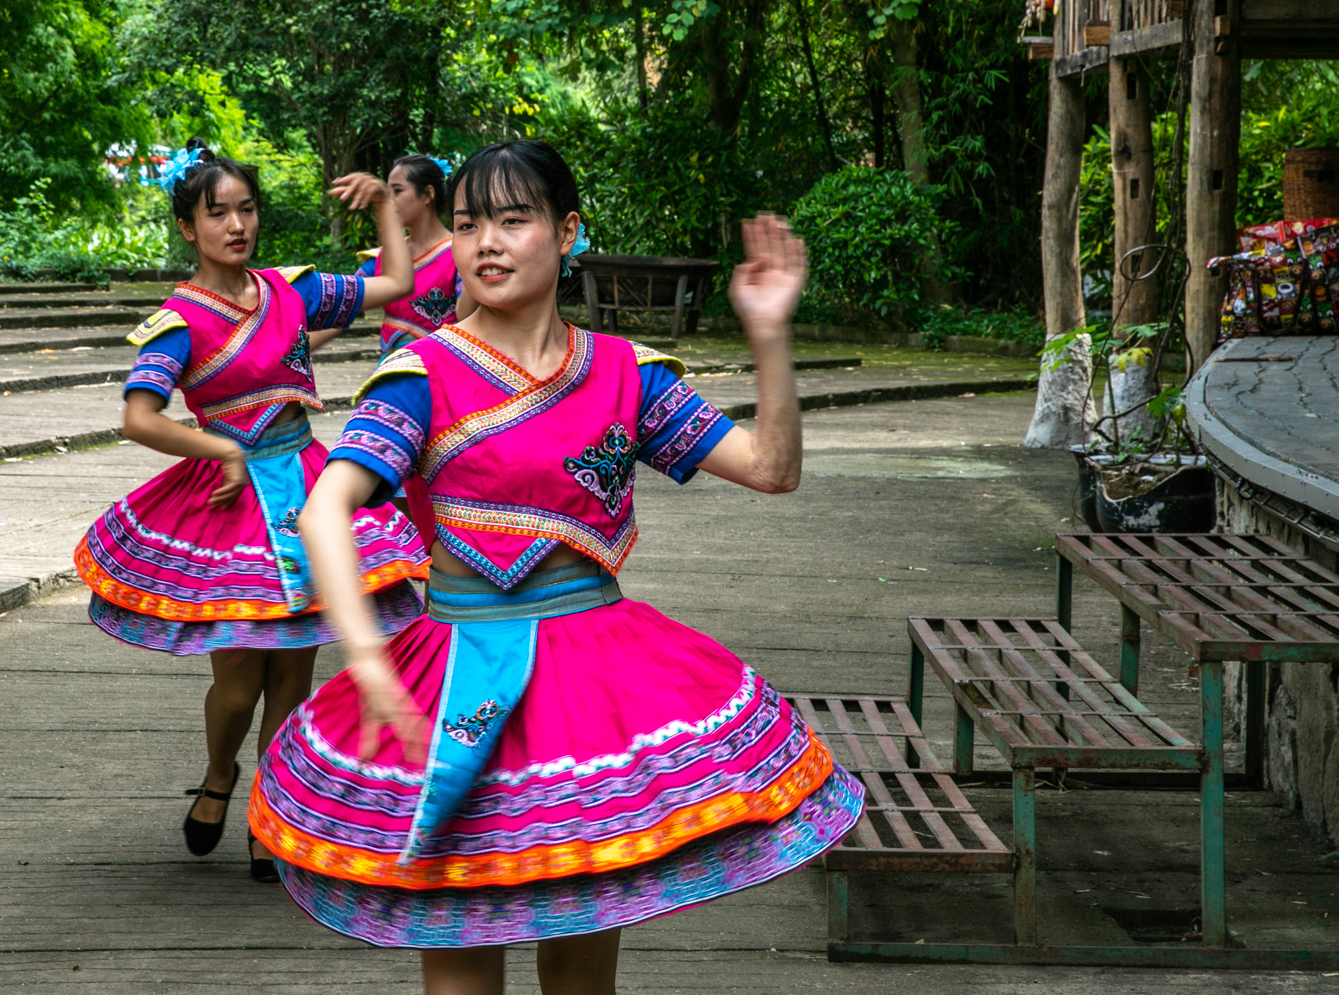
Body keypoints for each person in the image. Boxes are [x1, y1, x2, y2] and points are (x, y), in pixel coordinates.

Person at [250, 140, 863, 992]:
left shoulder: (625, 373)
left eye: (514, 219)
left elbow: (771, 468)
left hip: (594, 692)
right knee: (460, 971)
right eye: (467, 224)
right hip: (459, 675)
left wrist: (770, 336)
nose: (487, 242)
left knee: (583, 973)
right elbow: (322, 511)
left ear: (568, 231)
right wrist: (366, 659)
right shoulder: (421, 374)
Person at [74, 140, 430, 883]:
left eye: (247, 208)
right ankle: (218, 774)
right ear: (186, 226)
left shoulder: (290, 289)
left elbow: (396, 281)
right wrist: (220, 449)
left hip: (307, 493)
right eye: (218, 213)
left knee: (292, 683)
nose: (237, 224)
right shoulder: (177, 320)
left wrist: (386, 208)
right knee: (238, 686)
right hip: (229, 509)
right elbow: (139, 417)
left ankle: (269, 812)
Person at [312, 155, 473, 357]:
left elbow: (467, 317)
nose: (389, 201)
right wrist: (286, 351)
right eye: (387, 193)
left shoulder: (459, 253)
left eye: (397, 191)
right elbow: (343, 309)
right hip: (392, 374)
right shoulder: (381, 258)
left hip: (442, 373)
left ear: (427, 194)